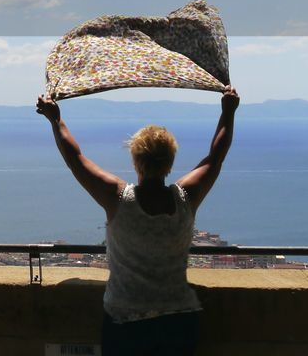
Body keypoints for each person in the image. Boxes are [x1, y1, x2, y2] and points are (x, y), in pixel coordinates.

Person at [36, 86, 239, 356]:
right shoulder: (186, 198)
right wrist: (228, 112)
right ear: (170, 162)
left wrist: (56, 119)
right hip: (179, 320)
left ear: (135, 161)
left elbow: (76, 160)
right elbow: (216, 157)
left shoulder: (117, 198)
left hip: (125, 322)